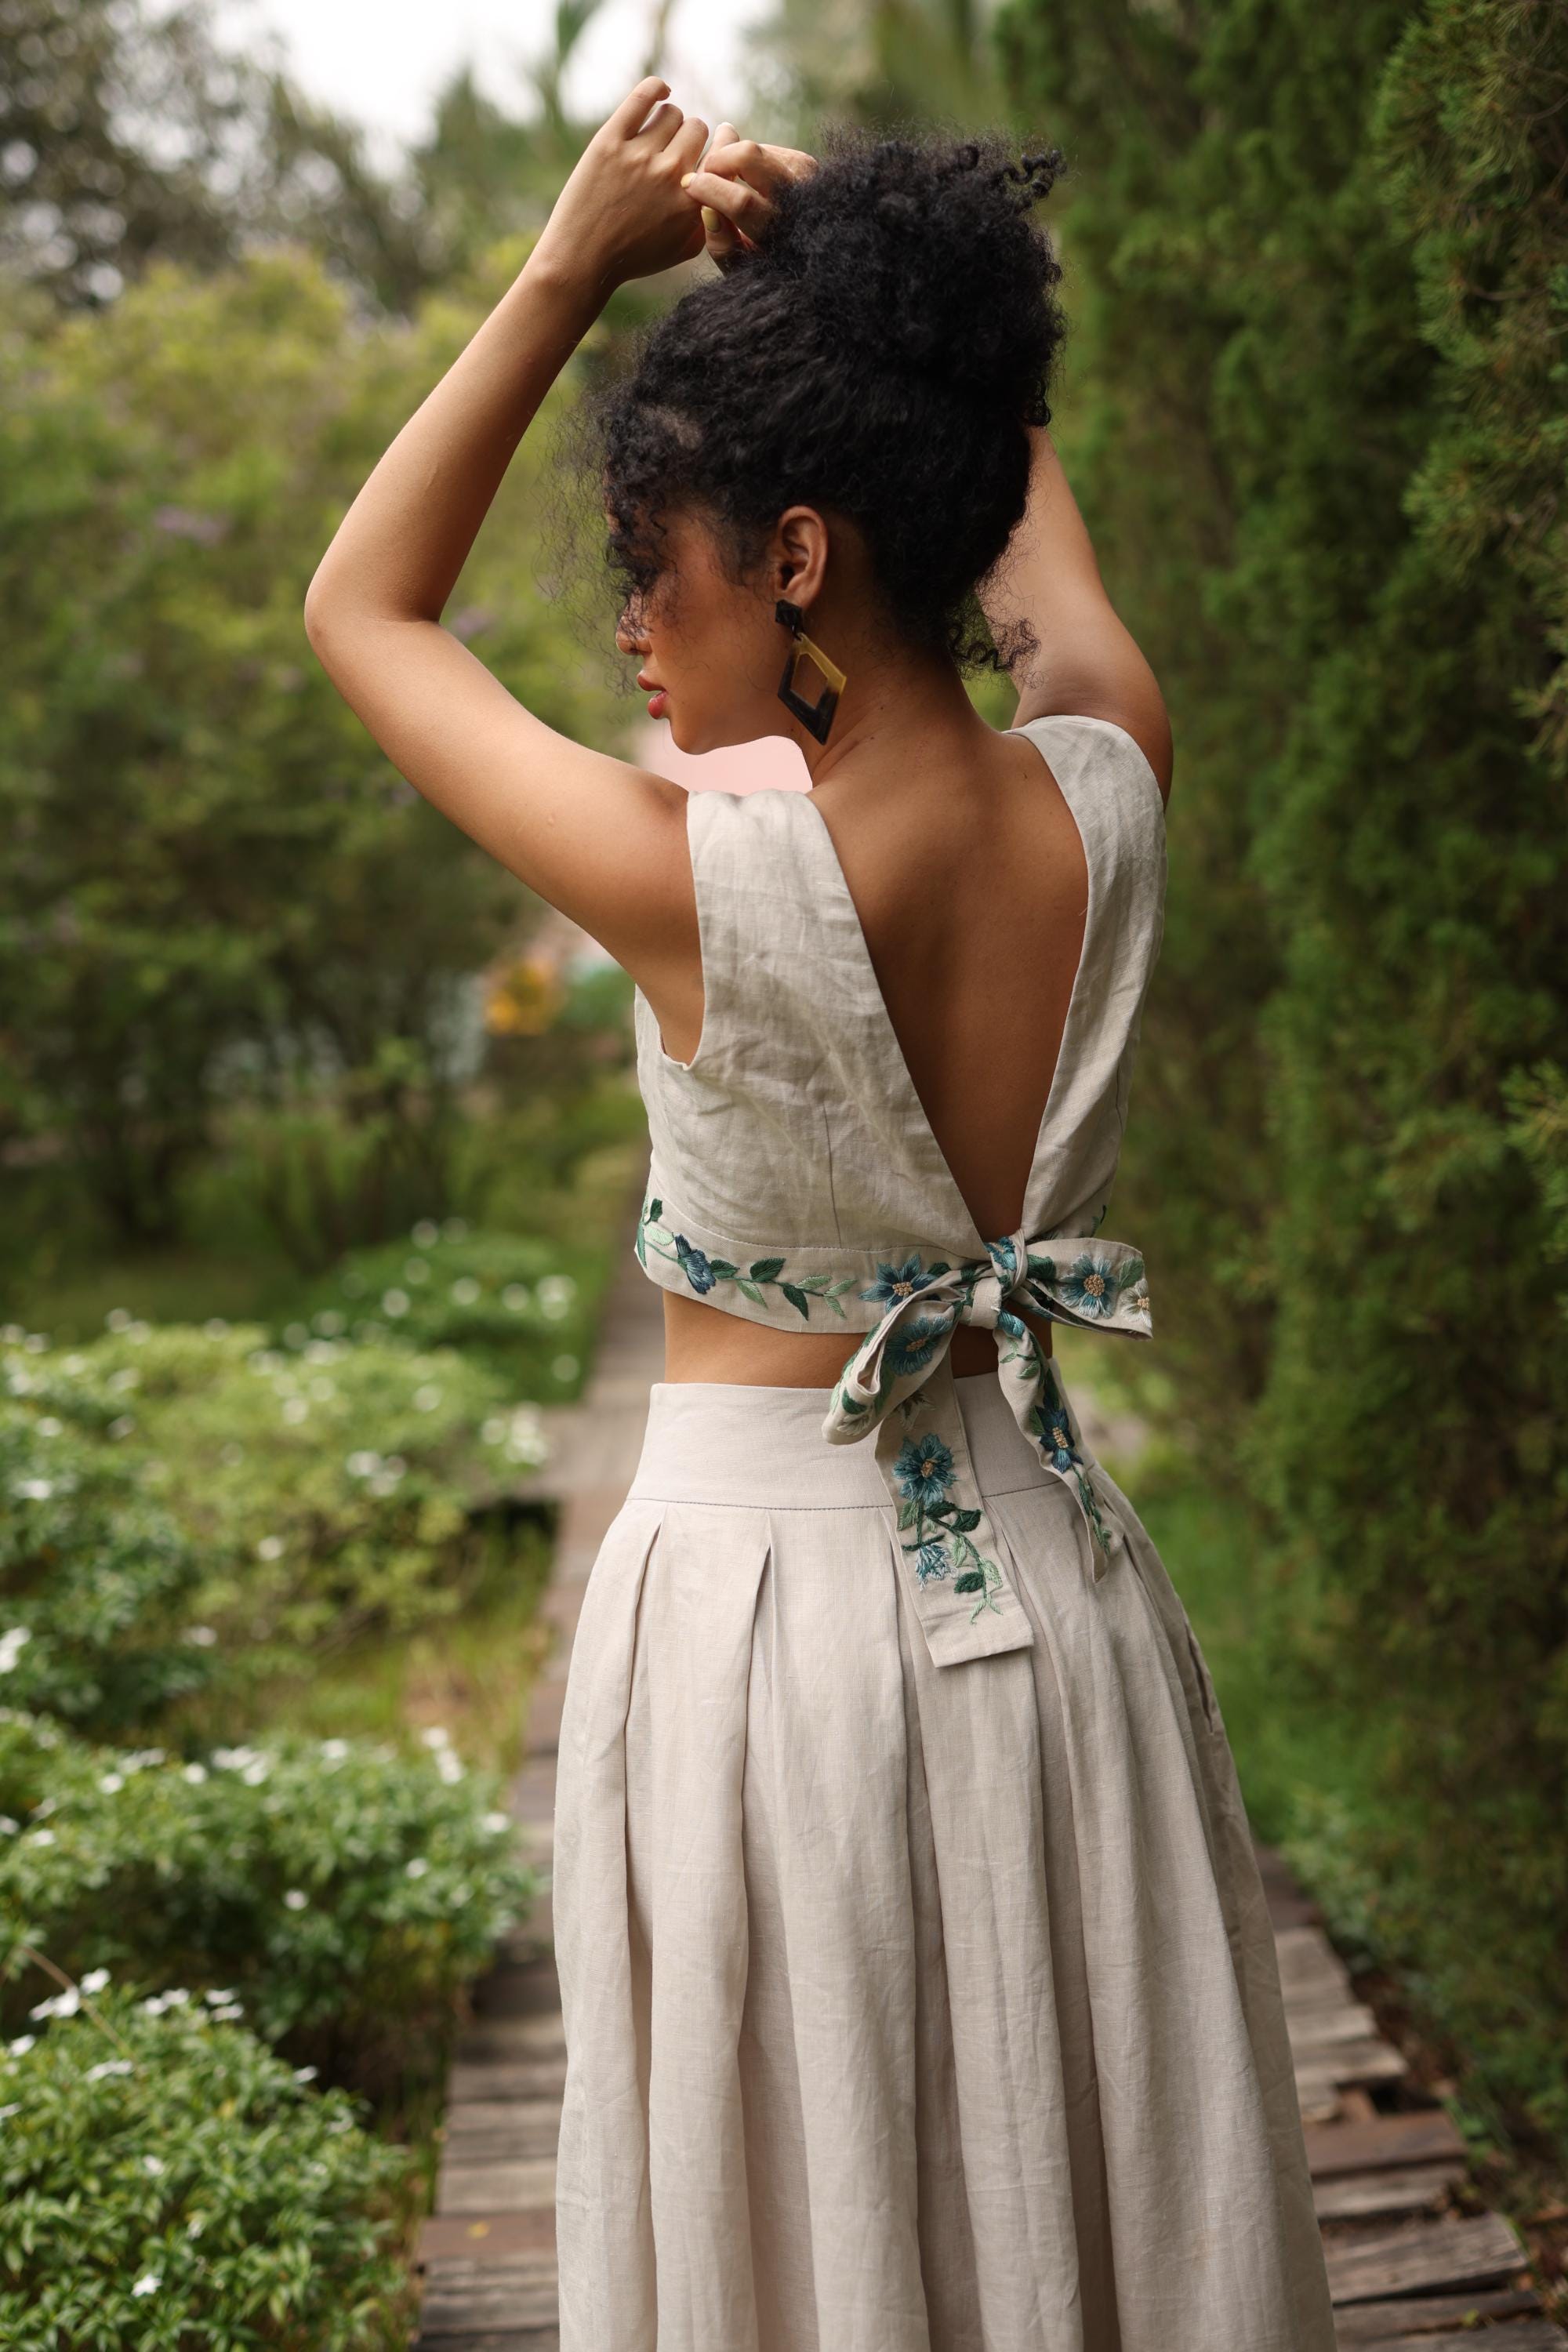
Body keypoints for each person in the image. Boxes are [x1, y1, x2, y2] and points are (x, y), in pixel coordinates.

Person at [304, 75, 1338, 2352]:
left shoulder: (707, 890)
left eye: (652, 566)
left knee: (822, 2220)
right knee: (1085, 2190)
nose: (630, 642)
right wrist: (929, 344)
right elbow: (1050, 616)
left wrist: (571, 267)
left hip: (771, 1641)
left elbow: (365, 609)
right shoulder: (1110, 795)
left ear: (793, 558)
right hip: (1063, 1609)